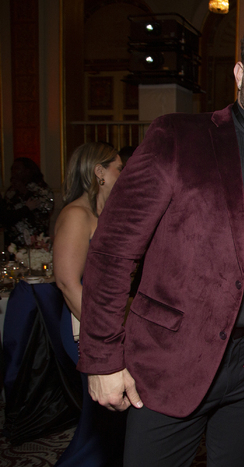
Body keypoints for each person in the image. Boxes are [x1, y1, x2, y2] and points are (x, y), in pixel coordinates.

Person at [76, 19, 244, 467]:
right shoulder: (177, 136)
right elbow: (111, 251)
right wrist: (103, 359)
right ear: (240, 73)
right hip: (168, 363)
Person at [53, 141, 126, 466]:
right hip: (86, 329)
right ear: (99, 172)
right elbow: (68, 283)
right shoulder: (76, 215)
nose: (122, 174)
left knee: (113, 426)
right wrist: (104, 335)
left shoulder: (104, 214)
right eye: (118, 168)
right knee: (100, 427)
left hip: (106, 327)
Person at [1, 157, 54, 249]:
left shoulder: (41, 189)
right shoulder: (11, 191)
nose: (13, 171)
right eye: (12, 169)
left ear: (28, 171)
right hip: (13, 242)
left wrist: (24, 192)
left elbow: (45, 210)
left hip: (34, 240)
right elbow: (5, 216)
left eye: (17, 168)